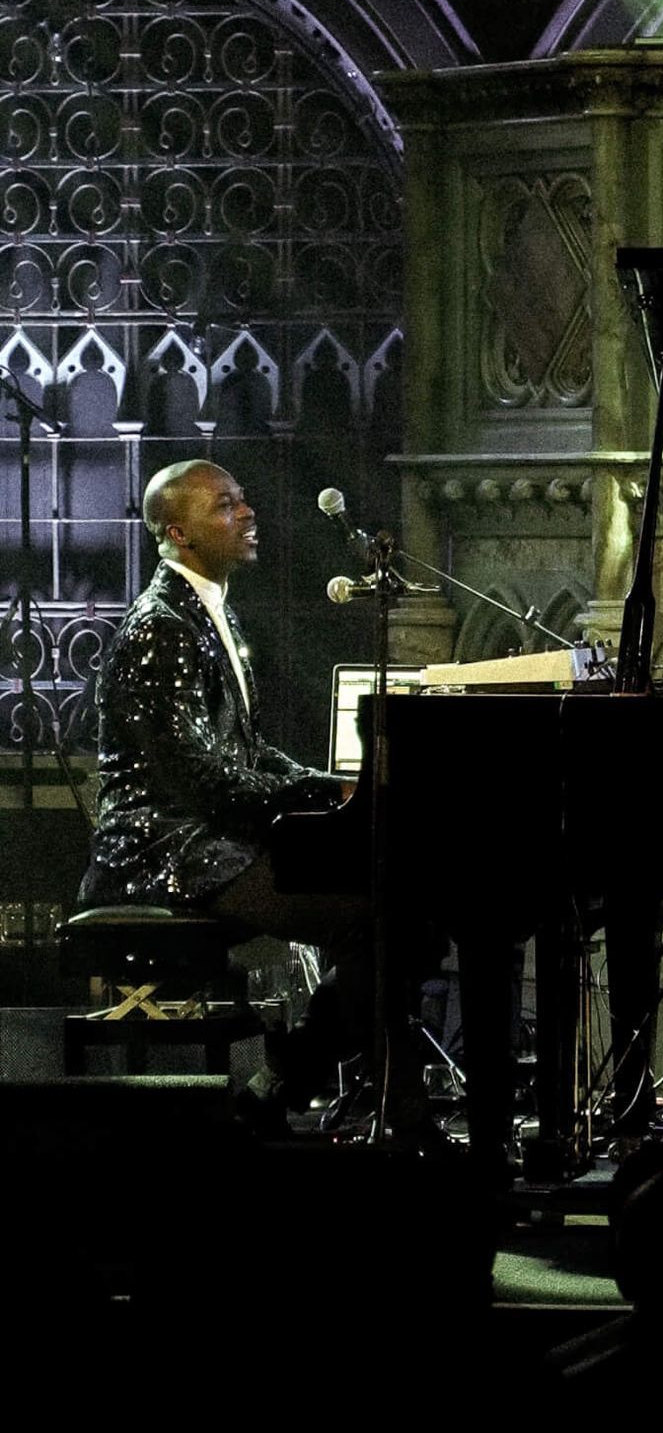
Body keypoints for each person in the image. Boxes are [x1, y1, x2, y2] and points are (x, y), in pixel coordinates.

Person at [82, 459, 372, 1110]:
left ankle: (302, 1080)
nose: (246, 512)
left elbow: (246, 752)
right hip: (163, 851)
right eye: (223, 505)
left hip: (206, 839)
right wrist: (318, 798)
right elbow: (198, 777)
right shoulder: (160, 626)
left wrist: (336, 786)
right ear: (177, 533)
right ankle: (288, 1081)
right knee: (375, 919)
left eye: (242, 499)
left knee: (393, 910)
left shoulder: (209, 613)